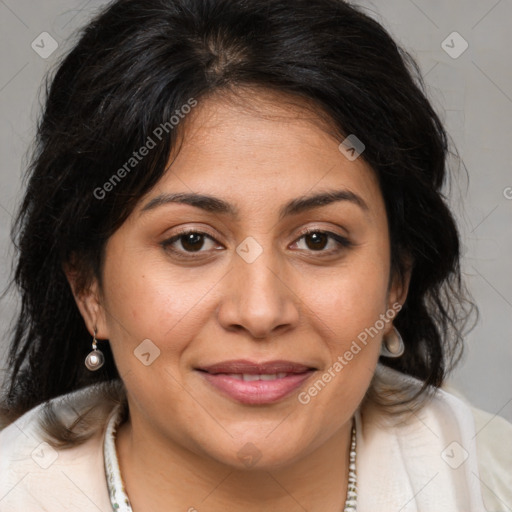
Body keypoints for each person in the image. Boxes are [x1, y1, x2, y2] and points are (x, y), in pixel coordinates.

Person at [0, 0, 510, 510]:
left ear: (396, 280)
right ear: (89, 287)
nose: (261, 311)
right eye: (191, 241)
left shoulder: (487, 481)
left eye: (318, 239)